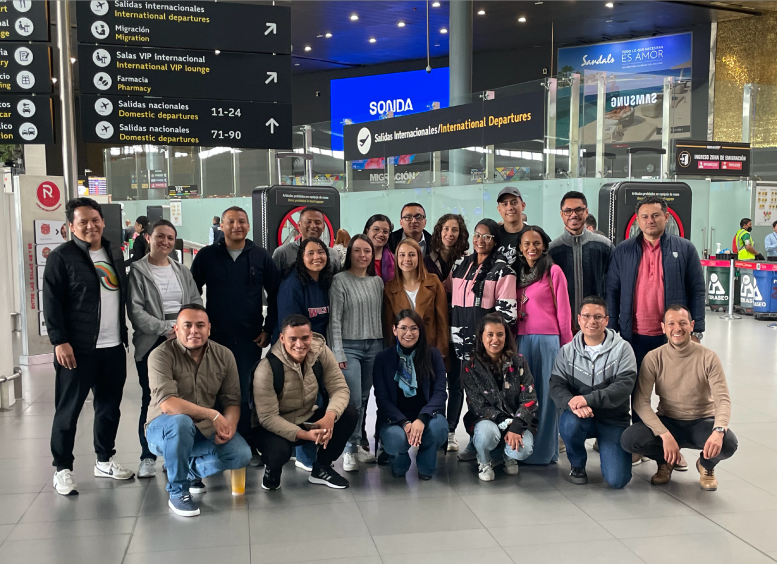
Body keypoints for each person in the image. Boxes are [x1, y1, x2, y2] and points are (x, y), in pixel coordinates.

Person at [43, 198, 135, 496]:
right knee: (68, 410)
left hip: (112, 346)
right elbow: (52, 303)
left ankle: (105, 459)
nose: (90, 226)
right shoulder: (62, 257)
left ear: (102, 221)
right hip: (78, 348)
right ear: (71, 226)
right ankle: (63, 468)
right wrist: (60, 341)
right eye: (82, 221)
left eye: (94, 219)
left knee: (109, 408)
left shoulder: (114, 253)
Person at [606, 196, 705, 467]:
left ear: (667, 218)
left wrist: (698, 328)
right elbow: (612, 291)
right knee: (636, 392)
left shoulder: (684, 249)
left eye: (656, 216)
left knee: (674, 392)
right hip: (632, 335)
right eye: (645, 216)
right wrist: (612, 331)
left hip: (671, 338)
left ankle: (673, 444)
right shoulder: (624, 250)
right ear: (637, 220)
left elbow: (697, 289)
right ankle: (644, 444)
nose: (650, 221)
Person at [146, 304, 252, 517]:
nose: (194, 330)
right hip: (163, 427)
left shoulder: (224, 355)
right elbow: (169, 404)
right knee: (181, 421)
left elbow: (232, 399)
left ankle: (187, 470)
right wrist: (212, 414)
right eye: (187, 325)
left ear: (209, 329)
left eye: (200, 325)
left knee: (240, 454)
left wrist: (229, 425)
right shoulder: (160, 355)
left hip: (203, 430)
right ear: (176, 329)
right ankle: (178, 492)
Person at [620, 306, 738, 491]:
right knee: (630, 439)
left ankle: (706, 465)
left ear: (691, 325)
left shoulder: (708, 357)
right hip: (668, 421)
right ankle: (664, 462)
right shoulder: (653, 358)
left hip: (701, 421)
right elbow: (640, 402)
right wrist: (664, 434)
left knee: (728, 443)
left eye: (683, 323)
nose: (677, 328)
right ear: (663, 327)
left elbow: (722, 399)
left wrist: (719, 430)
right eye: (671, 323)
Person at [190, 206, 281, 438]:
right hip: (214, 338)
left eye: (241, 221)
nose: (236, 226)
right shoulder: (207, 256)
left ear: (248, 226)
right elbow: (192, 293)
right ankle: (212, 438)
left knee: (242, 390)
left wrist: (268, 329)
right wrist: (199, 329)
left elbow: (276, 294)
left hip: (249, 338)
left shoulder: (261, 256)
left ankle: (243, 441)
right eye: (230, 222)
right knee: (212, 390)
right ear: (222, 226)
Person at [128, 219, 203, 479]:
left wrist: (185, 330)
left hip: (184, 341)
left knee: (184, 397)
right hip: (152, 341)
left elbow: (195, 301)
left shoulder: (182, 270)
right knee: (153, 399)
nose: (165, 242)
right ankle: (147, 455)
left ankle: (178, 452)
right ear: (148, 237)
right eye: (160, 236)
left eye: (170, 238)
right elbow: (136, 312)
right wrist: (166, 329)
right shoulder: (137, 271)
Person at [253, 314, 356, 490]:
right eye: (293, 339)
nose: (299, 345)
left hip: (307, 417)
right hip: (275, 426)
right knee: (278, 452)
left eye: (305, 338)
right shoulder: (266, 368)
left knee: (349, 414)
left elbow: (340, 388)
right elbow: (267, 418)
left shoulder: (320, 351)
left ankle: (321, 468)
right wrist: (306, 436)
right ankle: (272, 470)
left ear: (311, 335)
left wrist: (330, 416)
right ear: (282, 338)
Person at [550, 296, 636, 489]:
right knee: (570, 423)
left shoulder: (623, 349)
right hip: (580, 416)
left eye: (598, 317)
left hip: (613, 420)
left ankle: (607, 445)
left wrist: (586, 399)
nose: (592, 321)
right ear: (578, 319)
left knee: (618, 480)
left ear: (607, 320)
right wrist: (572, 403)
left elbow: (623, 387)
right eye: (587, 316)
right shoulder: (566, 351)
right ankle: (577, 464)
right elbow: (556, 386)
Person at [514, 226, 573, 465]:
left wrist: (566, 347)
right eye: (526, 243)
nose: (531, 248)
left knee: (547, 396)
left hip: (548, 340)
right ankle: (521, 448)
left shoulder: (553, 272)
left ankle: (544, 451)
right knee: (524, 395)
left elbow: (565, 311)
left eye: (536, 243)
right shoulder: (516, 274)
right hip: (521, 339)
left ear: (544, 246)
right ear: (520, 247)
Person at [274, 236, 334, 471]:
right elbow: (291, 331)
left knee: (319, 401)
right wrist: (305, 356)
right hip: (296, 352)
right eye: (310, 253)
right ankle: (304, 455)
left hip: (318, 351)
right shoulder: (293, 285)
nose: (316, 257)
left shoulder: (324, 282)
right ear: (300, 257)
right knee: (308, 402)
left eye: (321, 252)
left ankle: (312, 449)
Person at [328, 234, 384, 471]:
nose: (363, 255)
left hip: (375, 346)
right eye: (358, 250)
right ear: (349, 253)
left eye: (367, 251)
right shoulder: (339, 280)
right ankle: (349, 449)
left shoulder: (377, 281)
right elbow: (335, 320)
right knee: (352, 400)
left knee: (364, 398)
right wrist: (338, 352)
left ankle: (358, 444)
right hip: (349, 347)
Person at [458, 313, 538, 481]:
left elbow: (529, 398)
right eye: (490, 334)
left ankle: (508, 456)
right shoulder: (470, 367)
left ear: (506, 336)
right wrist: (505, 421)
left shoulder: (519, 362)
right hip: (486, 421)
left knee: (522, 450)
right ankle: (484, 459)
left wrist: (516, 425)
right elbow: (477, 406)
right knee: (487, 435)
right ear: (481, 337)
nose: (495, 339)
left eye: (500, 334)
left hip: (517, 420)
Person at [373, 310, 449, 480]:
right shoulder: (382, 359)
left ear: (420, 331)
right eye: (403, 328)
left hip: (426, 417)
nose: (409, 333)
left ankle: (425, 464)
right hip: (395, 420)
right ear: (394, 330)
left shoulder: (433, 355)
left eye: (414, 328)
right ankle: (400, 461)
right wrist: (405, 423)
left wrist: (421, 419)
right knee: (395, 439)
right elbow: (382, 400)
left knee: (439, 428)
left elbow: (439, 393)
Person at [424, 213, 469, 451]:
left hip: (460, 325)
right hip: (434, 327)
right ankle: (437, 427)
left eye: (455, 230)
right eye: (446, 229)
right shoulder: (426, 260)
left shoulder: (468, 260)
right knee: (436, 380)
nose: (450, 234)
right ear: (439, 231)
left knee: (457, 381)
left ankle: (451, 431)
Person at [450, 218, 517, 363]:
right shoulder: (459, 265)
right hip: (458, 347)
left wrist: (492, 343)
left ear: (495, 241)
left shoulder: (503, 271)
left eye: (487, 237)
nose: (480, 240)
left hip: (488, 351)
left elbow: (507, 317)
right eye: (477, 235)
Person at [548, 191, 613, 330]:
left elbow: (614, 285)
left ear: (586, 212)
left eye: (578, 209)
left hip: (597, 324)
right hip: (563, 325)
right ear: (561, 214)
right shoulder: (552, 250)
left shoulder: (604, 246)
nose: (573, 214)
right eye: (568, 211)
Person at [383, 238, 448, 365]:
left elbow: (442, 321)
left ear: (419, 257)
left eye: (411, 254)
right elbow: (389, 325)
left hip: (430, 349)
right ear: (396, 258)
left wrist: (441, 352)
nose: (406, 259)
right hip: (402, 352)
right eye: (402, 255)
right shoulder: (390, 287)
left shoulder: (433, 282)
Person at [272, 206, 341, 276]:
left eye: (317, 222)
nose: (313, 226)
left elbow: (337, 282)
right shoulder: (283, 253)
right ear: (299, 226)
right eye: (308, 222)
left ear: (323, 227)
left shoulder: (332, 254)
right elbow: (273, 284)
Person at [494, 186, 530, 268]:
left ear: (523, 205)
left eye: (514, 203)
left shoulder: (535, 235)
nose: (509, 208)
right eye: (505, 204)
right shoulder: (493, 235)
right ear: (499, 209)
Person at [364, 214, 396, 283]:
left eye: (385, 231)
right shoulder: (356, 258)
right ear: (367, 231)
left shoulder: (396, 260)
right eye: (376, 229)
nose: (381, 234)